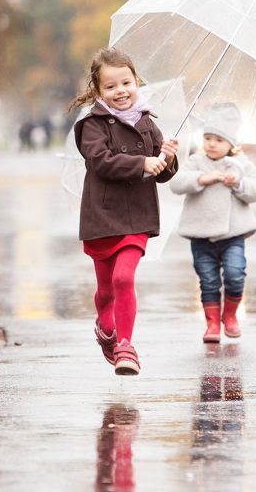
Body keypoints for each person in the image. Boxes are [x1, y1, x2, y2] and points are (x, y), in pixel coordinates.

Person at [69, 47, 179, 376]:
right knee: (105, 290)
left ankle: (126, 345)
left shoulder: (148, 123)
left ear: (137, 82)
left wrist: (168, 158)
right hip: (102, 216)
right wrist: (143, 162)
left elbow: (162, 174)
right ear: (98, 90)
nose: (121, 91)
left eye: (126, 83)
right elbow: (100, 161)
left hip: (137, 216)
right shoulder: (92, 125)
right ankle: (106, 329)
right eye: (111, 86)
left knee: (123, 277)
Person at [169, 104, 256, 343]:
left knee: (235, 274)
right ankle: (212, 324)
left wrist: (238, 184)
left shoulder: (240, 164)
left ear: (231, 143)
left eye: (219, 140)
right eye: (208, 138)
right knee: (208, 279)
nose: (211, 144)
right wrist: (202, 178)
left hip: (233, 233)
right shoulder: (196, 161)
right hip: (201, 234)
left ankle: (230, 315)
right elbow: (177, 183)